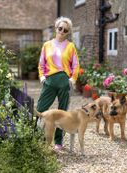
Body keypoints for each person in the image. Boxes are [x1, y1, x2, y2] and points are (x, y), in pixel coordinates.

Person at [36, 16, 80, 150]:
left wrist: (72, 79)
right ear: (56, 28)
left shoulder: (71, 46)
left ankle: (58, 141)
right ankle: (36, 136)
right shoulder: (47, 45)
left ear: (68, 32)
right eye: (60, 28)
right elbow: (41, 64)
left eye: (65, 30)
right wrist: (42, 78)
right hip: (49, 80)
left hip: (64, 81)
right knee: (40, 109)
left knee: (62, 112)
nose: (62, 31)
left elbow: (76, 65)